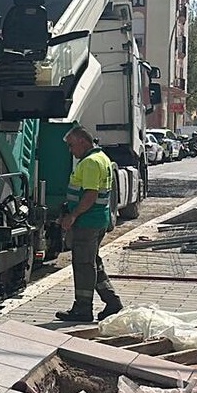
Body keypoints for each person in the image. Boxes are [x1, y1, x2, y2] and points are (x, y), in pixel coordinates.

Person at [57, 126, 125, 322]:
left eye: (71, 145)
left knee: (84, 265)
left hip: (87, 221)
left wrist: (73, 215)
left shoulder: (90, 163)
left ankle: (83, 308)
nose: (71, 150)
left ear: (82, 142)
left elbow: (90, 194)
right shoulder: (102, 157)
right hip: (98, 220)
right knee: (93, 262)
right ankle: (112, 302)